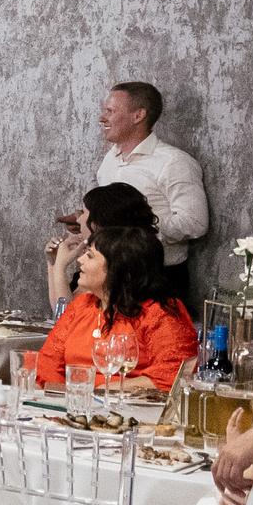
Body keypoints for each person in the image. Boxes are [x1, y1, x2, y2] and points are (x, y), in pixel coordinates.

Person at [29, 226, 198, 394]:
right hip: (76, 404)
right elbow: (47, 366)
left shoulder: (160, 312)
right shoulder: (81, 305)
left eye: (90, 256)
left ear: (117, 268)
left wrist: (100, 392)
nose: (80, 260)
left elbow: (174, 377)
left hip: (131, 407)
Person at [93, 80, 207, 311]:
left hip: (157, 278)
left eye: (110, 111)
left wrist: (138, 226)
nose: (102, 118)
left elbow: (195, 223)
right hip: (111, 273)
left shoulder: (174, 162)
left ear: (138, 115)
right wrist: (90, 218)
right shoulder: (110, 159)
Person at [45, 181, 157, 312]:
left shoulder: (110, 261)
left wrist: (60, 266)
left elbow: (67, 316)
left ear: (97, 222)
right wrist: (53, 263)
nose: (78, 220)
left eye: (84, 213)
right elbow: (59, 311)